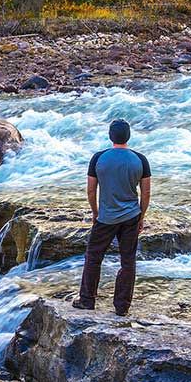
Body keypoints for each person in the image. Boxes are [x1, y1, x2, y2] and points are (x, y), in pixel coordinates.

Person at [74, 118, 150, 316]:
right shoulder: (140, 159)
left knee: (93, 257)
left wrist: (95, 212)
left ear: (110, 136)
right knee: (128, 261)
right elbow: (146, 193)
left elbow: (91, 191)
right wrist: (141, 216)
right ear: (128, 136)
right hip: (131, 216)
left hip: (105, 217)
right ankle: (122, 306)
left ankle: (87, 300)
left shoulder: (98, 158)